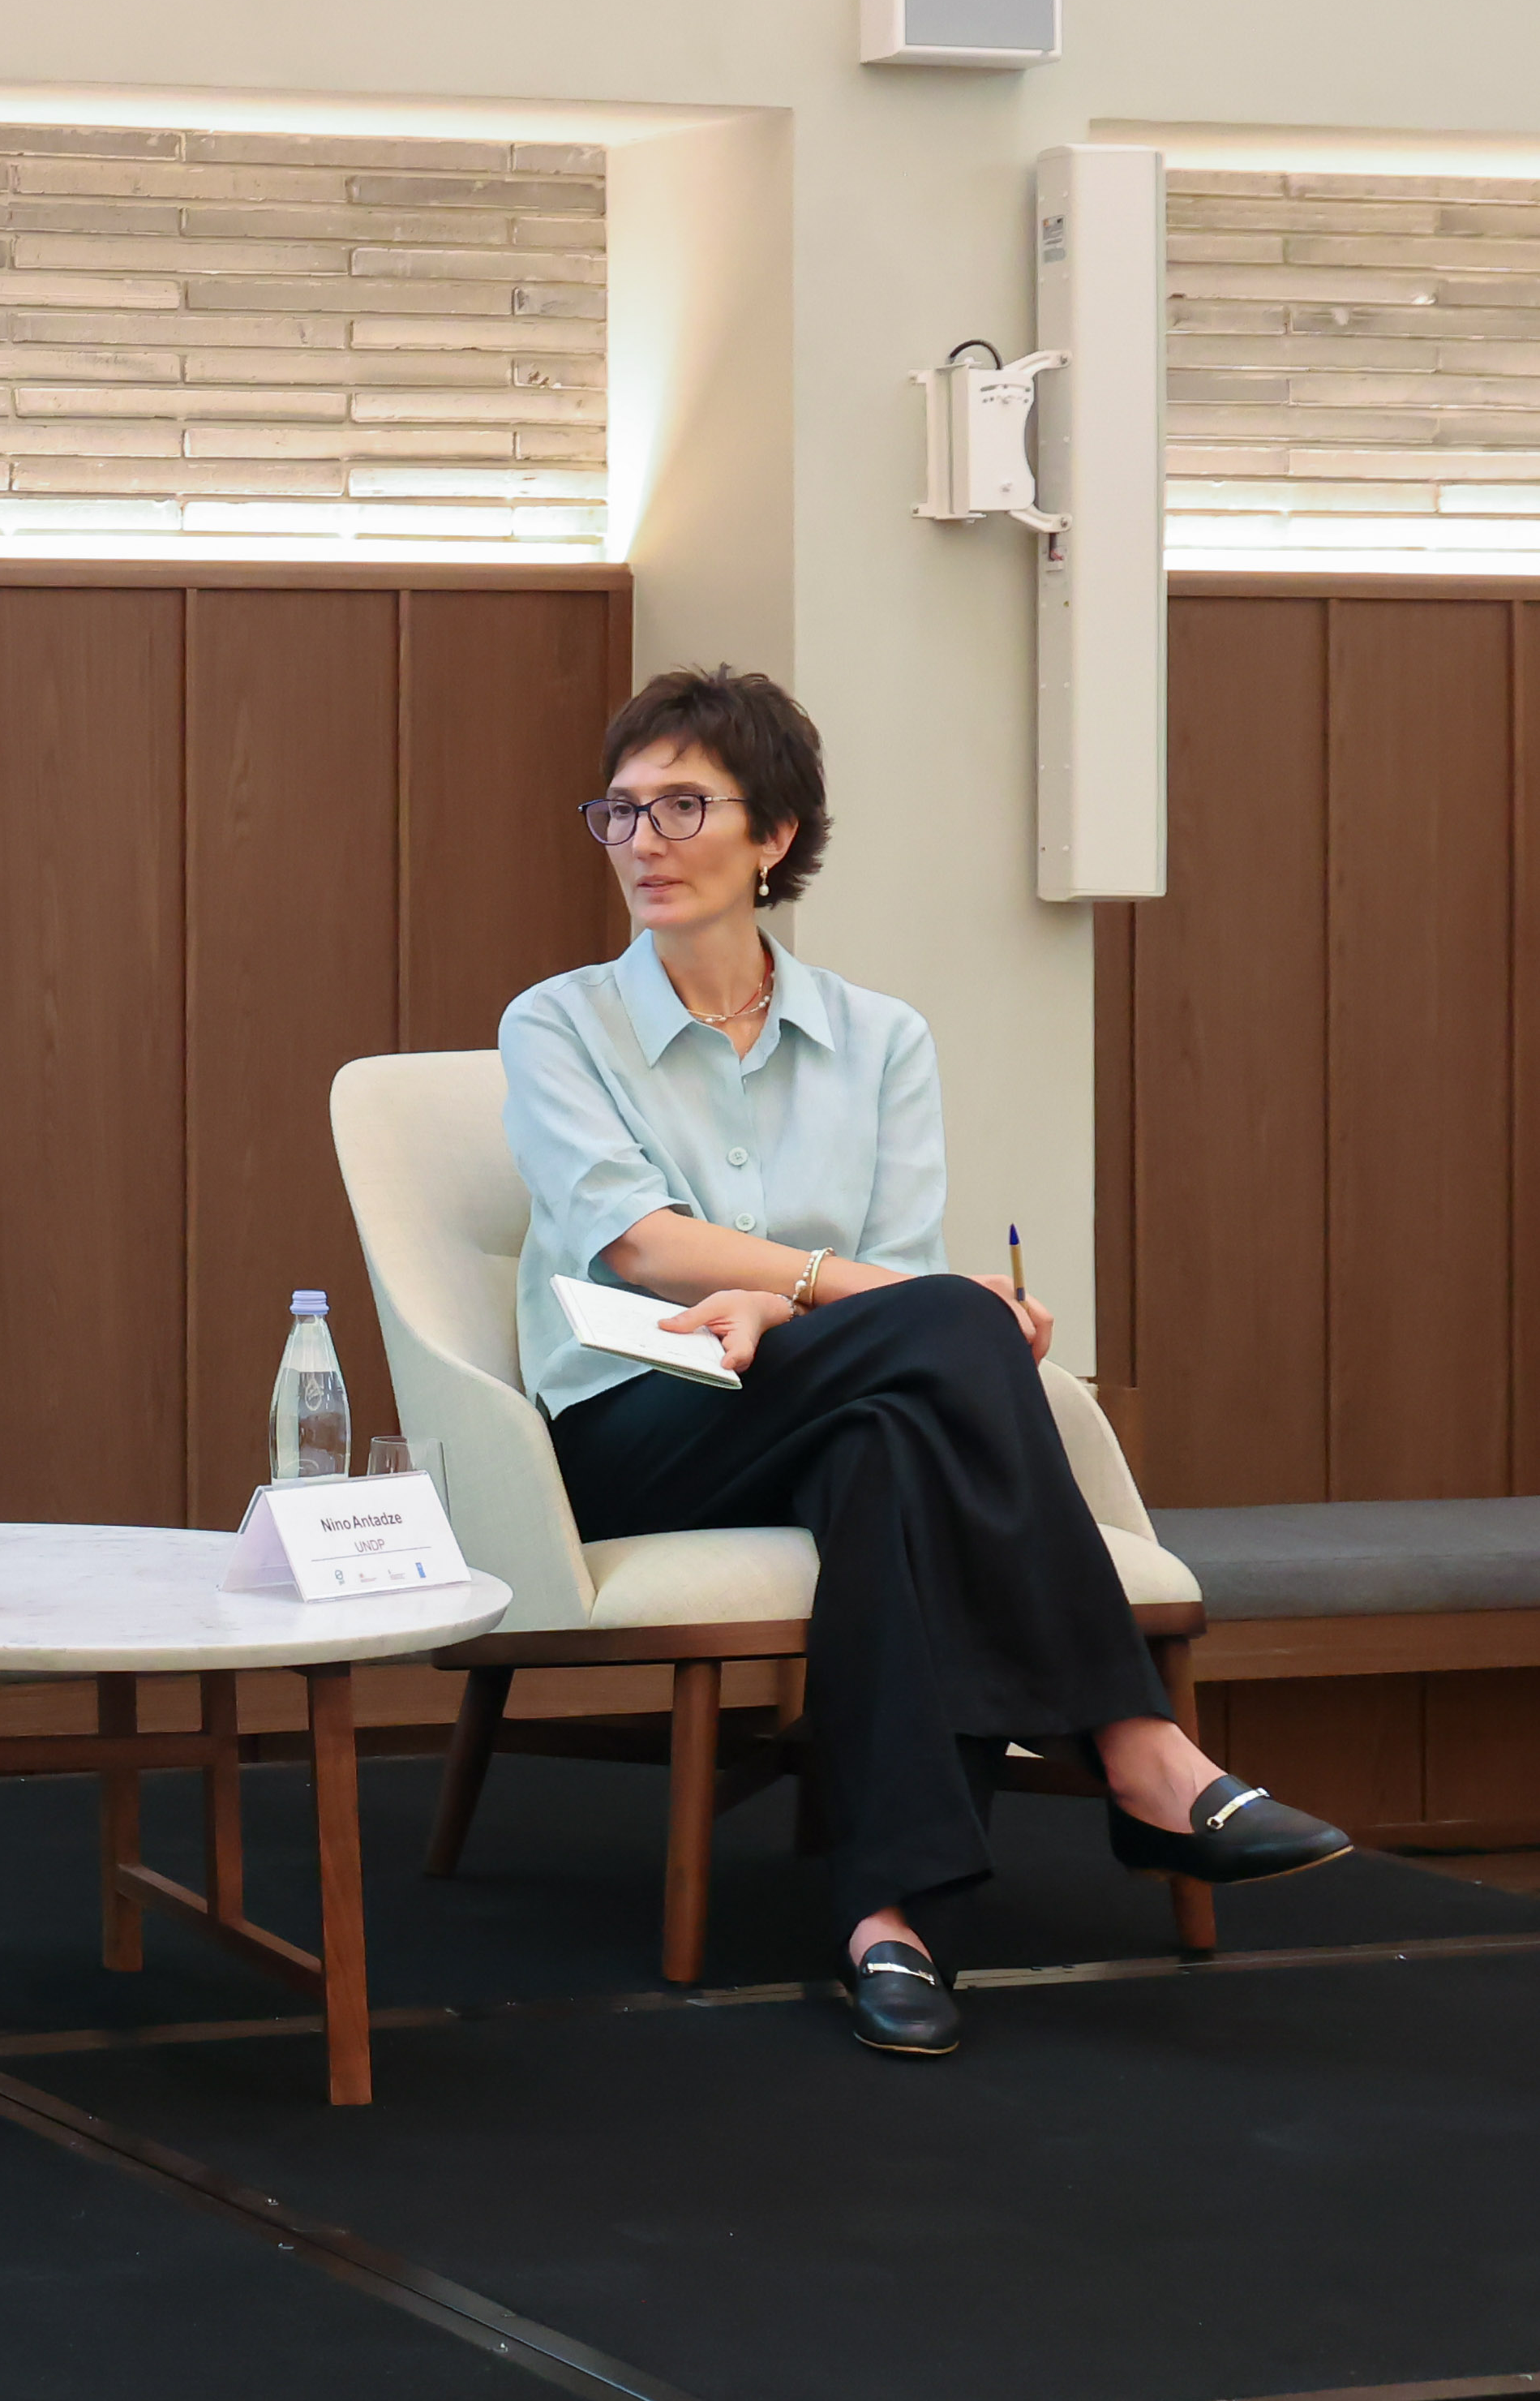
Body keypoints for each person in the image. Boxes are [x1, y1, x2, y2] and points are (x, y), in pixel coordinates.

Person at [499, 666, 1341, 2059]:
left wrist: (785, 1304)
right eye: (620, 810)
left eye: (682, 806)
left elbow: (886, 1267)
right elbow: (640, 1246)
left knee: (890, 1443)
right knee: (958, 1318)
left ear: (772, 836)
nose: (641, 839)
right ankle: (1134, 1741)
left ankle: (888, 1919)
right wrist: (816, 1289)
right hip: (635, 1423)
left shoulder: (879, 1038)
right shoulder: (556, 1022)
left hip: (821, 1396)